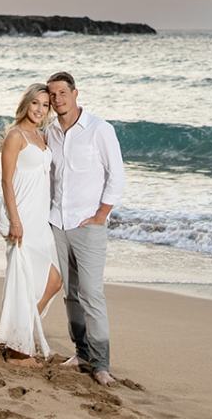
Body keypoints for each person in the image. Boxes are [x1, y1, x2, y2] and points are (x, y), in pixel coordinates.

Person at [44, 70, 125, 387]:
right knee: (71, 295)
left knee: (92, 294)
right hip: (57, 223)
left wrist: (102, 213)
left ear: (76, 93)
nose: (57, 99)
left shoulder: (99, 129)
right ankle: (81, 352)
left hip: (87, 224)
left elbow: (116, 174)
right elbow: (49, 177)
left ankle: (101, 364)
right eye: (52, 94)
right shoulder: (50, 131)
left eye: (62, 92)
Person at [0, 83, 65, 363]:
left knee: (53, 280)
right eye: (35, 103)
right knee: (24, 282)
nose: (40, 109)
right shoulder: (16, 136)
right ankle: (18, 350)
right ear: (26, 104)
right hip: (21, 215)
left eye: (45, 105)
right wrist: (15, 220)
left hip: (40, 217)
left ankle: (18, 335)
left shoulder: (41, 135)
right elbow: (6, 181)